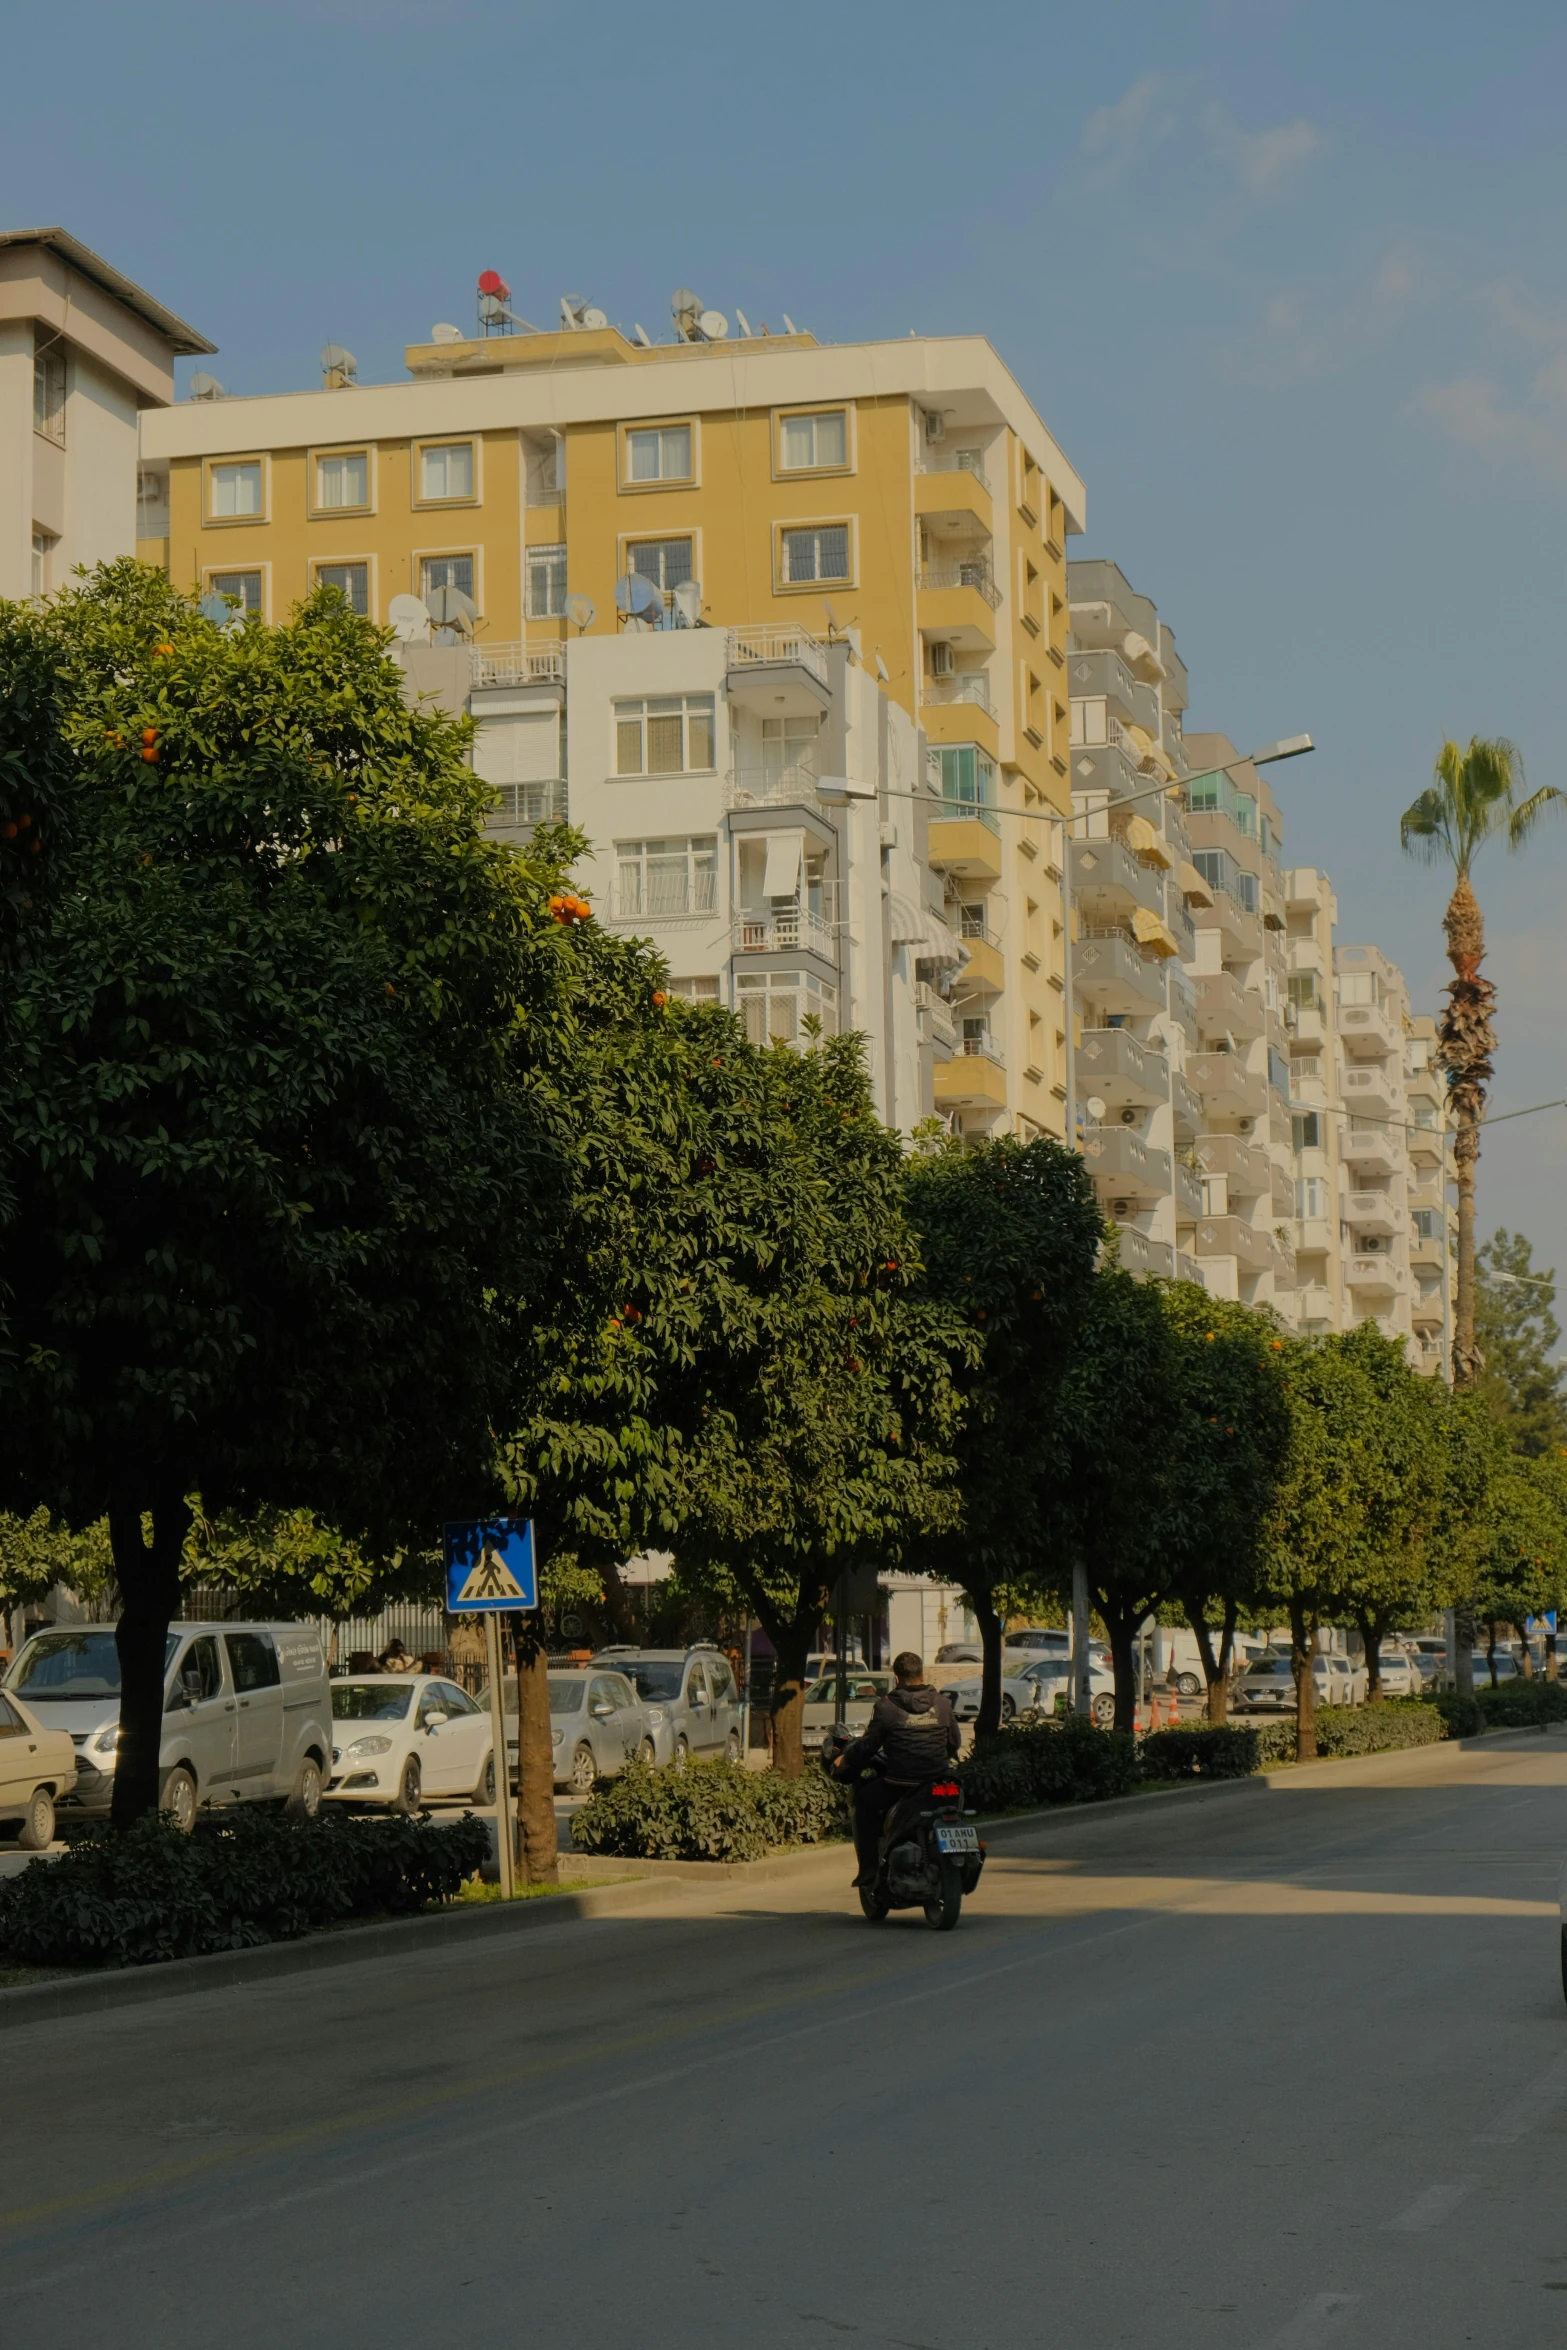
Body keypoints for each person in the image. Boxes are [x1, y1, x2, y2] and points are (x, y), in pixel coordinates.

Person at [832, 1650, 960, 1887]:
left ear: (896, 1676)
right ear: (922, 1674)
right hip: (939, 1782)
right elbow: (954, 1743)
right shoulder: (943, 1704)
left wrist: (846, 1758)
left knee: (863, 1799)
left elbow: (869, 1746)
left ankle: (869, 1868)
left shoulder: (887, 1707)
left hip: (901, 1785)